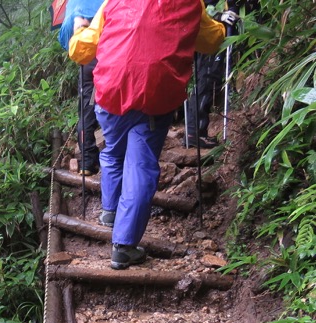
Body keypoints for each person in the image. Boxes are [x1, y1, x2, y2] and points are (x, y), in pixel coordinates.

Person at [69, 0, 231, 269]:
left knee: (112, 150)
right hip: (154, 96)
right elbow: (211, 41)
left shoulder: (115, 2)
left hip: (110, 92)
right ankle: (123, 245)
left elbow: (81, 51)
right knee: (140, 167)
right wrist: (225, 25)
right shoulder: (190, 4)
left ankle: (110, 212)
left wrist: (78, 30)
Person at [58, 0, 105, 176]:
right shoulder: (107, 3)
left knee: (87, 109)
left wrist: (78, 30)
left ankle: (87, 162)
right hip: (112, 58)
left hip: (88, 64)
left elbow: (65, 41)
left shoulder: (73, 6)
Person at [185, 1, 239, 148]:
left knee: (208, 79)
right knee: (207, 79)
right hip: (211, 36)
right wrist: (220, 15)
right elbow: (200, 9)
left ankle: (196, 132)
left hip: (214, 33)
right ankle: (194, 133)